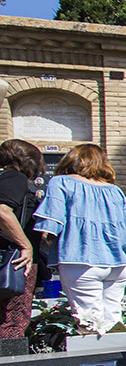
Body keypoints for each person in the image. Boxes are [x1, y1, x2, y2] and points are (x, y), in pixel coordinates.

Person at [33, 144, 126, 335]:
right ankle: (121, 362)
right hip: (117, 264)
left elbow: (49, 227)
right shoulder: (115, 191)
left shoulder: (61, 182)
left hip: (80, 259)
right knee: (114, 321)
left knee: (90, 324)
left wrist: (53, 246)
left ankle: (96, 364)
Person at [0, 139, 44, 341]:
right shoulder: (14, 177)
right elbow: (2, 211)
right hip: (14, 260)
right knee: (14, 318)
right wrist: (25, 246)